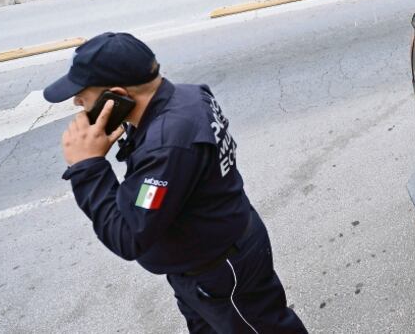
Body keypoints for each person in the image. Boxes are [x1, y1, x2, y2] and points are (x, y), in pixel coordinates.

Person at [50, 32, 308, 333]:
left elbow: (128, 235)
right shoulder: (188, 96)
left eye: (83, 93)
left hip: (221, 271)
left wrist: (87, 167)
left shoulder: (166, 146)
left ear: (117, 94)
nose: (76, 101)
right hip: (206, 261)